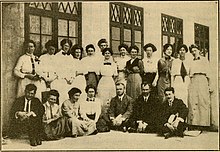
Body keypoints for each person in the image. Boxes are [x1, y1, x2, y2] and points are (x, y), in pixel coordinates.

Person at [187, 44, 212, 129]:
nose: (194, 52)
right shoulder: (191, 61)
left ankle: (204, 124)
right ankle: (195, 123)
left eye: (195, 50)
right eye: (192, 51)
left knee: (203, 101)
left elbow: (209, 73)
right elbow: (189, 74)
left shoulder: (204, 60)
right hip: (194, 80)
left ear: (199, 50)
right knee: (194, 101)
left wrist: (209, 85)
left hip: (202, 79)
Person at [52, 39, 75, 104]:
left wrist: (72, 78)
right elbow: (57, 69)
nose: (66, 47)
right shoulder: (57, 56)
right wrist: (65, 78)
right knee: (62, 97)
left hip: (69, 81)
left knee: (69, 97)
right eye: (65, 45)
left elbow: (73, 69)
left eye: (68, 46)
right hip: (61, 80)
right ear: (62, 46)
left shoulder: (70, 56)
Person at [97, 48, 118, 115]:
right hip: (102, 81)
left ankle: (110, 114)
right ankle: (102, 114)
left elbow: (115, 75)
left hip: (110, 81)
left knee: (110, 97)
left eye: (108, 53)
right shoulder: (100, 63)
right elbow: (98, 74)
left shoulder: (114, 64)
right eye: (106, 53)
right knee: (102, 96)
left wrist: (112, 82)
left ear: (110, 54)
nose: (107, 54)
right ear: (103, 54)